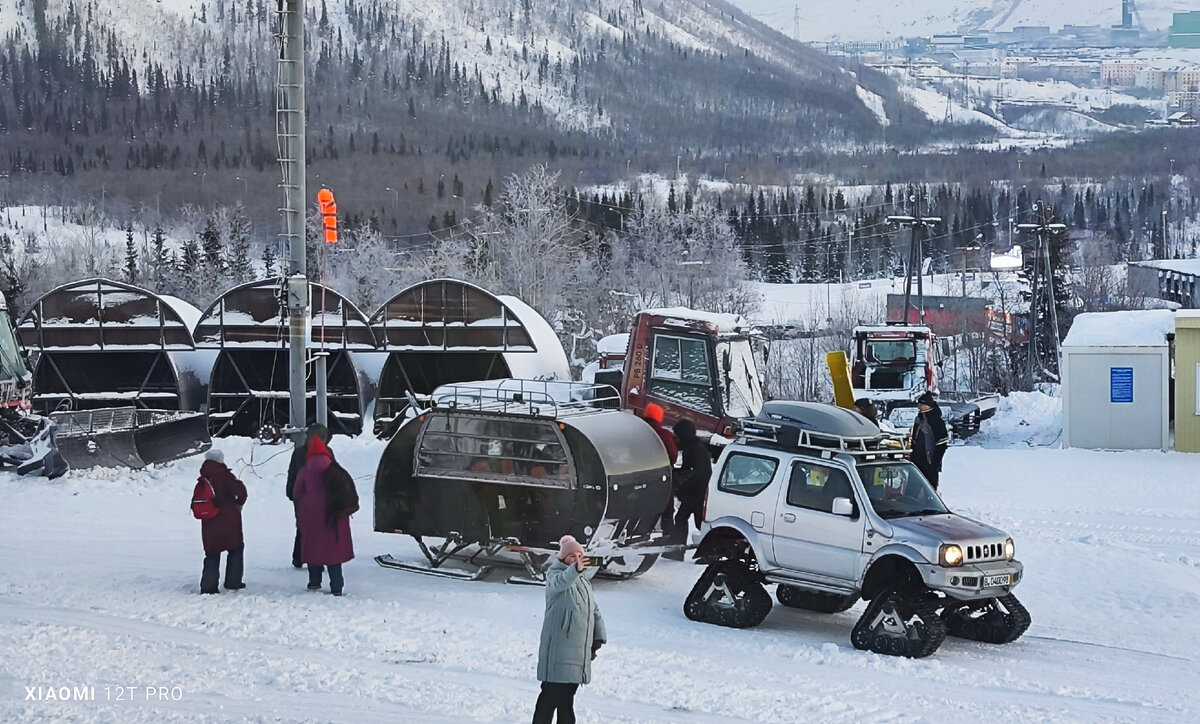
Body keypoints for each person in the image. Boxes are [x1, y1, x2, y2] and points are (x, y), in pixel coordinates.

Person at [533, 535, 607, 724]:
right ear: (562, 558)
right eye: (571, 556)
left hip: (577, 652)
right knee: (552, 697)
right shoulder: (554, 575)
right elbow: (561, 582)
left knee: (565, 699)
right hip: (559, 652)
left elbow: (594, 611)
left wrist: (598, 639)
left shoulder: (583, 582)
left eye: (579, 555)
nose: (576, 558)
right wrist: (576, 569)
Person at [293, 435, 354, 595]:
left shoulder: (305, 470)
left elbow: (297, 491)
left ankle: (314, 582)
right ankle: (337, 586)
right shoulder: (334, 468)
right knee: (333, 552)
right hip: (333, 515)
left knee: (314, 549)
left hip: (311, 515)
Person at [198, 449, 248, 594]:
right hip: (229, 519)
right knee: (235, 549)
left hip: (210, 521)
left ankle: (208, 587)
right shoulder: (226, 476)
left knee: (212, 553)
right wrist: (239, 504)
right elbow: (241, 492)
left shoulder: (203, 477)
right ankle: (233, 581)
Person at [287, 423, 330, 568]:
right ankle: (316, 559)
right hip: (320, 497)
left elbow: (292, 474)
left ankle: (299, 556)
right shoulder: (327, 452)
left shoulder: (299, 453)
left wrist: (290, 492)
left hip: (301, 497)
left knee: (302, 526)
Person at [666, 418, 711, 558]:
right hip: (695, 491)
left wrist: (682, 488)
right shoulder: (692, 447)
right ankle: (679, 551)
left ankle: (709, 554)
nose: (676, 439)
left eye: (678, 435)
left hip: (698, 492)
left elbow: (695, 473)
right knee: (682, 518)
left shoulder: (695, 449)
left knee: (697, 523)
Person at [641, 403, 680, 538]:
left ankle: (638, 532)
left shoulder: (637, 431)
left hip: (639, 475)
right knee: (667, 508)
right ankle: (669, 536)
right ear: (659, 417)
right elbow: (673, 455)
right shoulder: (664, 434)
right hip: (661, 477)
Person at [910, 392, 949, 490]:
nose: (919, 407)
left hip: (930, 462)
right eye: (918, 404)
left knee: (930, 489)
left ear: (928, 405)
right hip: (916, 461)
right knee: (913, 488)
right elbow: (914, 437)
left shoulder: (937, 421)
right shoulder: (918, 419)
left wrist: (934, 463)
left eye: (922, 404)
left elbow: (942, 444)